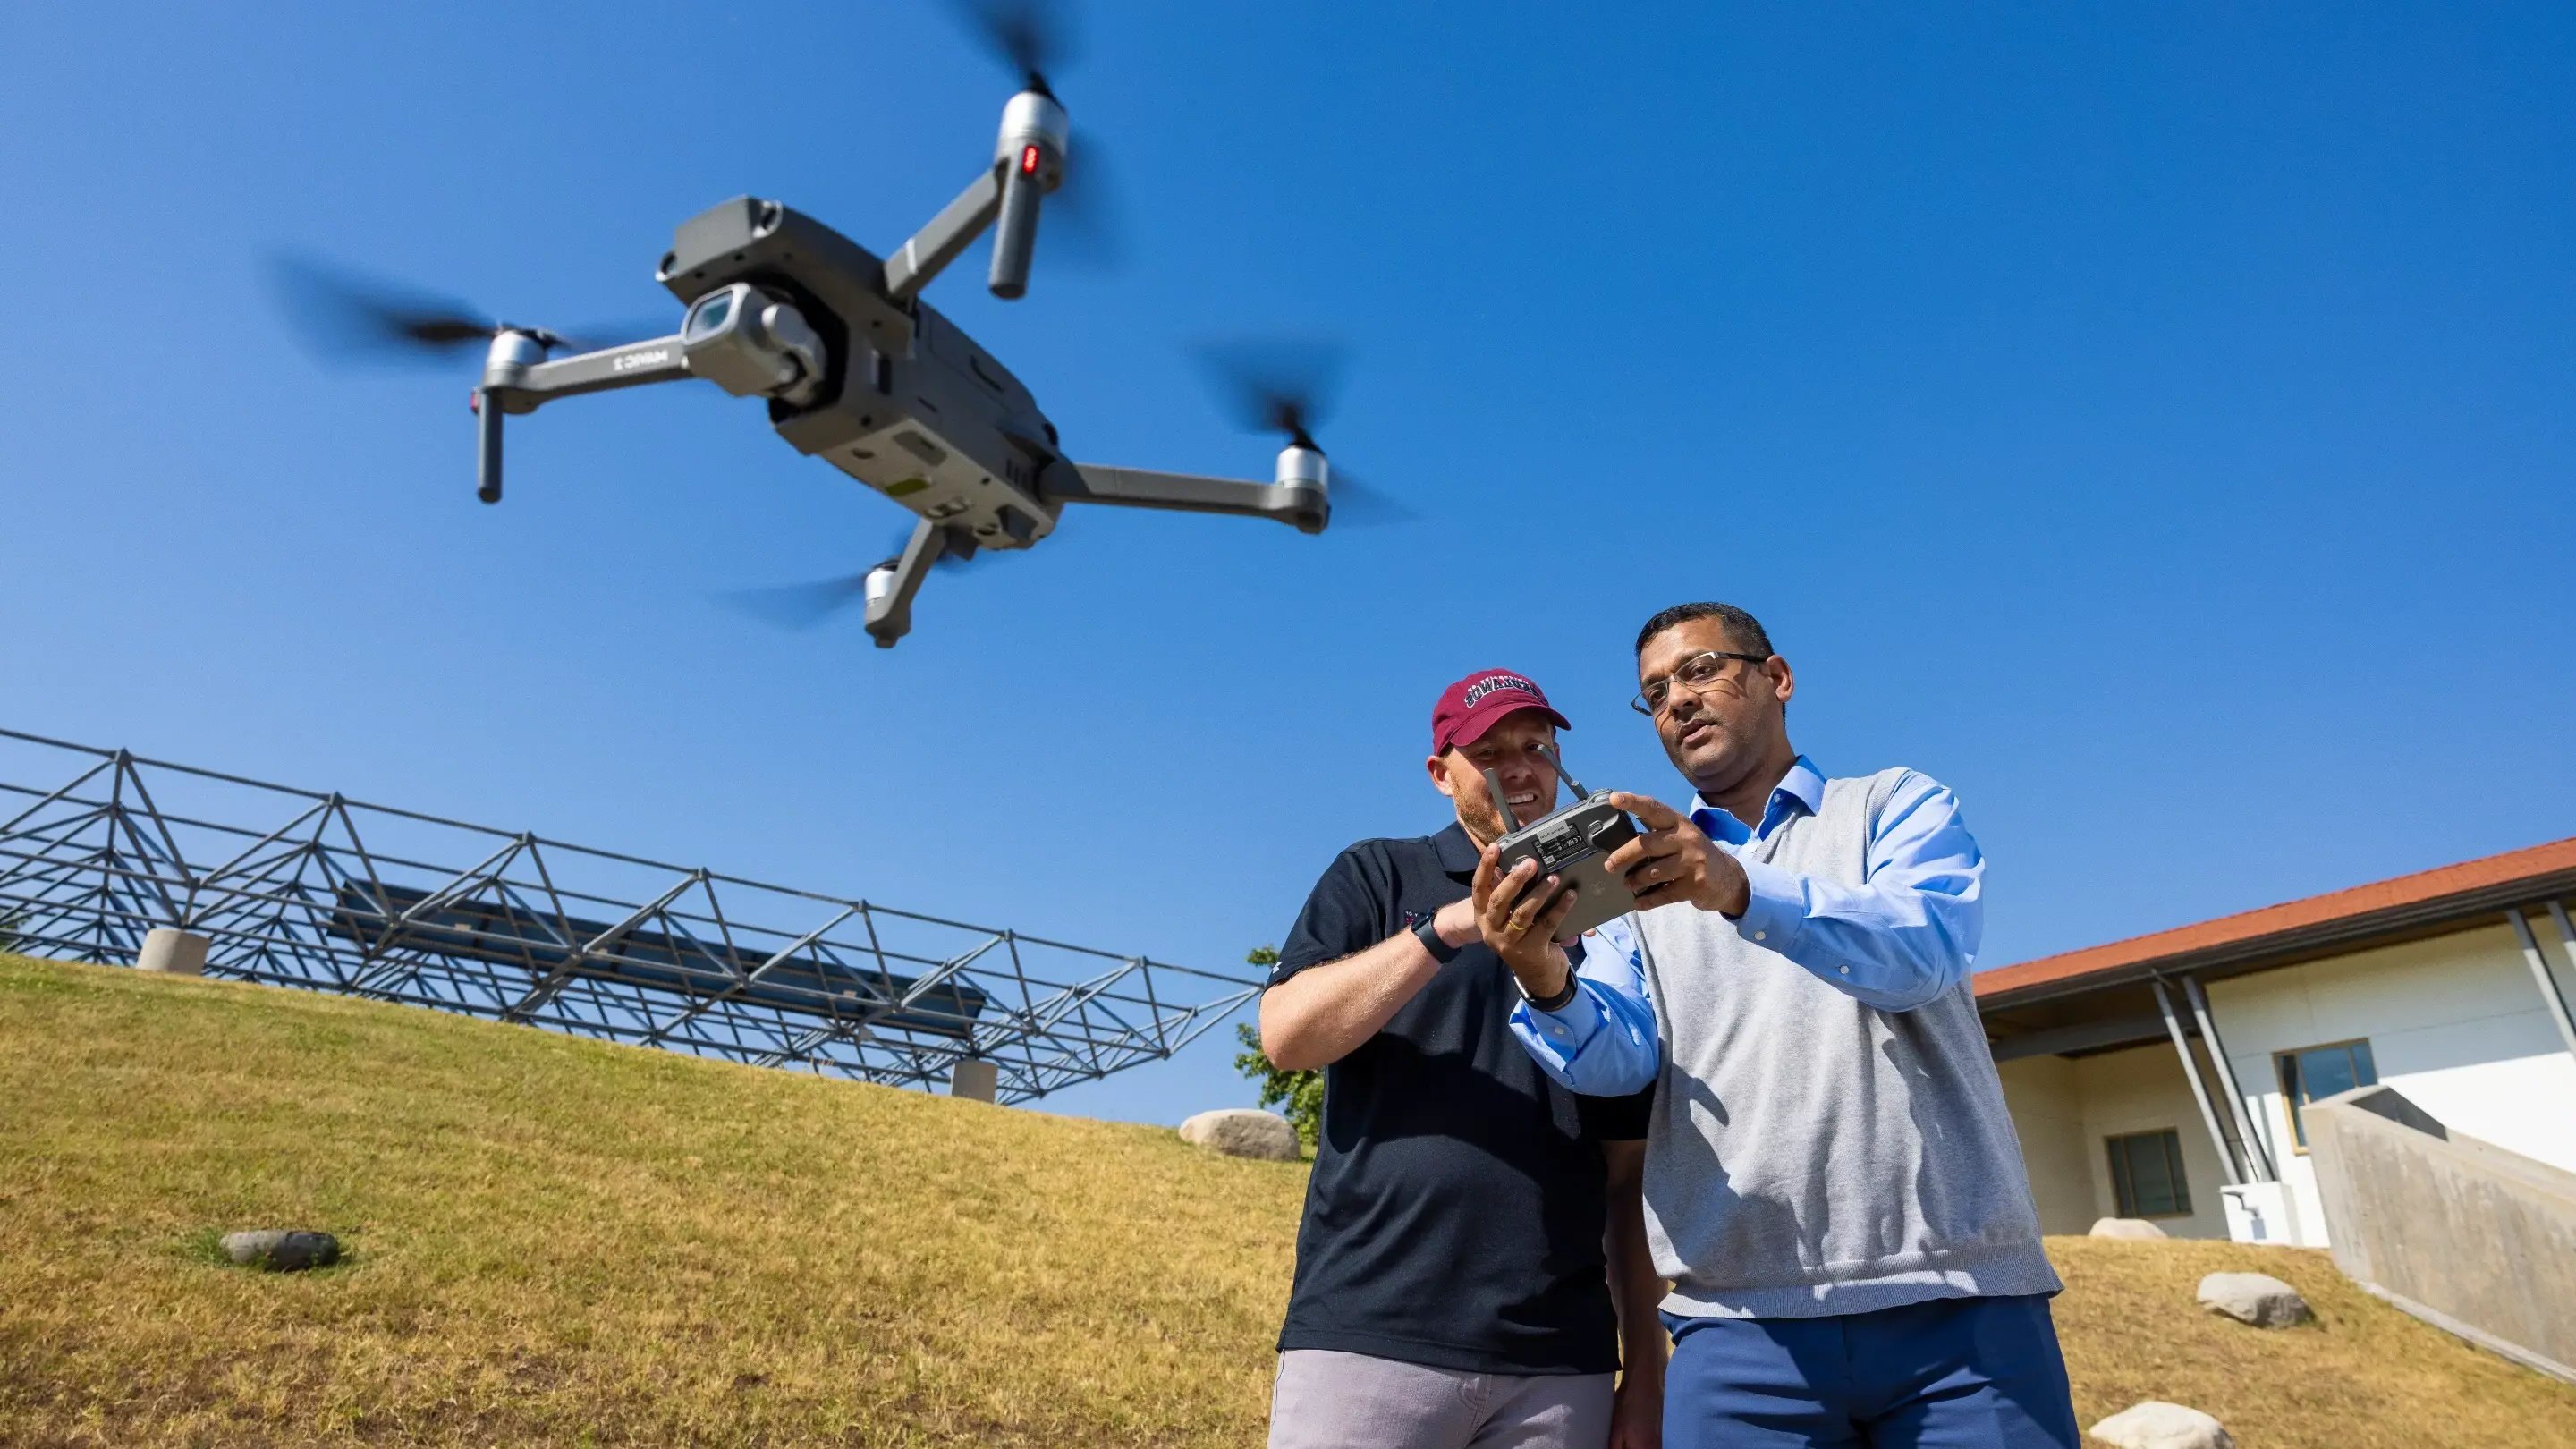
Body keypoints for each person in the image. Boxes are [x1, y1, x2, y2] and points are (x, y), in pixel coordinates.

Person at [1481, 604, 2080, 1449]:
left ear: (1778, 677)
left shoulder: (1892, 804)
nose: (1677, 701)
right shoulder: (1640, 875)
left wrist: (1739, 888)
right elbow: (1617, 1062)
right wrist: (1542, 977)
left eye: (1700, 670)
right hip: (1738, 1329)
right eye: (1655, 692)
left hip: (1961, 1306)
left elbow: (1924, 949)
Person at [1258, 668, 1665, 1449]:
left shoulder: (1620, 922)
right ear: (1441, 774)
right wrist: (1448, 928)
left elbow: (1628, 1175)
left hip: (1562, 1362)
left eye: (1537, 747)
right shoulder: (1378, 874)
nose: (1520, 769)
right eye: (1489, 753)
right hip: (1371, 1333)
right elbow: (1285, 1037)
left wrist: (1646, 1369)